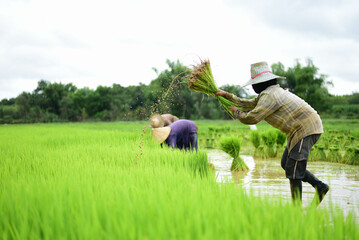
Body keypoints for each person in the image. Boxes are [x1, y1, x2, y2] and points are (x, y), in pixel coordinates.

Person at [216, 61, 329, 205]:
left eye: (254, 84)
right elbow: (248, 103)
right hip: (298, 130)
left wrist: (237, 112)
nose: (253, 87)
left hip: (305, 128)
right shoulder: (268, 93)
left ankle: (297, 211)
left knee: (293, 170)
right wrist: (227, 96)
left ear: (259, 84)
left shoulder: (270, 96)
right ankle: (320, 186)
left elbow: (252, 117)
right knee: (287, 164)